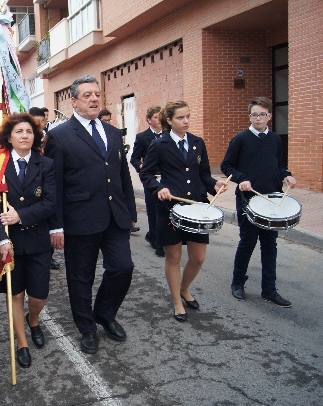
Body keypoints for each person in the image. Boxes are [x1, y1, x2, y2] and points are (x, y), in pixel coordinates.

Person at [45, 75, 137, 354]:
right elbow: (55, 185)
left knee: (123, 267)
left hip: (114, 216)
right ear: (73, 101)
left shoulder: (111, 132)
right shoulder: (59, 137)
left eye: (97, 94)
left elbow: (123, 176)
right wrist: (56, 226)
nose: (94, 99)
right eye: (87, 95)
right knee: (81, 277)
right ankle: (87, 327)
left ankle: (105, 314)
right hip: (79, 219)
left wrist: (130, 211)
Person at [140, 100, 228, 322]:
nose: (186, 121)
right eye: (180, 117)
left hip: (197, 208)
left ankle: (184, 288)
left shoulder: (198, 142)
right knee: (174, 257)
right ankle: (177, 302)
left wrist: (214, 185)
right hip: (170, 208)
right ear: (168, 120)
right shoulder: (160, 144)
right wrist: (159, 188)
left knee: (198, 257)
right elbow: (146, 174)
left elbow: (204, 174)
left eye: (188, 116)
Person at [0, 113, 55, 368]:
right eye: (19, 132)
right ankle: (22, 342)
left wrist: (20, 215)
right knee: (15, 294)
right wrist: (1, 239)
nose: (24, 135)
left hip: (37, 240)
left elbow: (50, 203)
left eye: (28, 132)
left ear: (34, 136)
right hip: (10, 243)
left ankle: (33, 320)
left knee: (39, 296)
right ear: (9, 137)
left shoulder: (45, 164)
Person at [220, 96, 296, 307]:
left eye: (262, 114)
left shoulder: (275, 139)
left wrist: (287, 175)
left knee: (270, 244)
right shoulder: (240, 139)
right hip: (248, 199)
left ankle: (269, 290)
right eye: (254, 114)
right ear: (250, 116)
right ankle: (237, 283)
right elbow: (227, 166)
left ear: (269, 116)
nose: (258, 118)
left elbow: (278, 165)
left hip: (272, 199)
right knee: (248, 241)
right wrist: (241, 179)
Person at [29, 107, 61, 271]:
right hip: (32, 185)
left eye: (42, 121)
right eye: (36, 122)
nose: (39, 125)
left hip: (48, 181)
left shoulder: (51, 137)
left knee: (50, 220)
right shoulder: (27, 138)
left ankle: (49, 256)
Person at [130, 105, 165, 257]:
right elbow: (134, 158)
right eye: (156, 117)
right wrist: (141, 165)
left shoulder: (168, 135)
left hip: (166, 178)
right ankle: (157, 240)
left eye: (161, 117)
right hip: (151, 178)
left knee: (165, 209)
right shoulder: (142, 137)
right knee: (153, 209)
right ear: (149, 120)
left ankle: (155, 235)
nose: (159, 120)